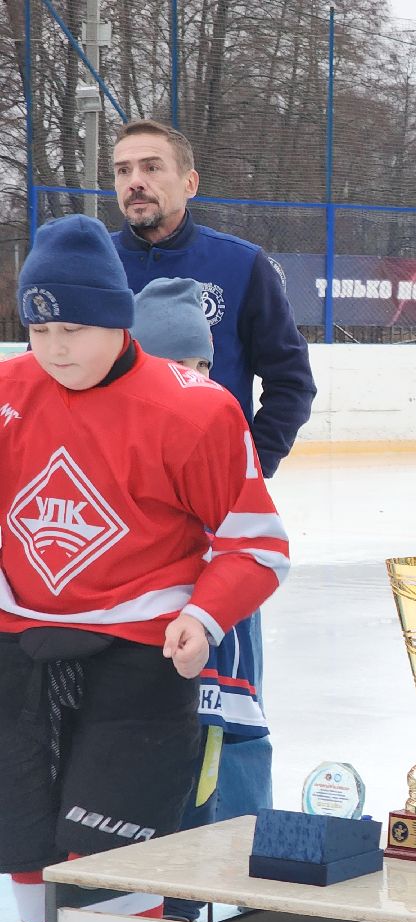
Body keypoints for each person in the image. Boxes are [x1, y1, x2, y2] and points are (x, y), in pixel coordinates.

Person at [0, 216, 289, 922]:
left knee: (107, 850)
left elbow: (255, 543)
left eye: (74, 328)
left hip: (138, 659)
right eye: (38, 327)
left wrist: (203, 616)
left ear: (118, 318)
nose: (55, 347)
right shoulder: (7, 397)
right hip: (20, 653)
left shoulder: (192, 409)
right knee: (27, 848)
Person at [110, 118, 314, 827]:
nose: (136, 181)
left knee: (231, 703)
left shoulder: (241, 265)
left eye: (152, 167)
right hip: (120, 534)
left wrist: (244, 475)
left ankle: (235, 851)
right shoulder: (96, 270)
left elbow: (289, 383)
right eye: (123, 170)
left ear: (188, 182)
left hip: (215, 537)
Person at [128, 277, 257, 922]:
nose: (196, 377)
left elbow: (251, 559)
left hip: (207, 678)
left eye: (204, 364)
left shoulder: (219, 433)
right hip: (129, 679)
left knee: (196, 812)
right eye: (180, 363)